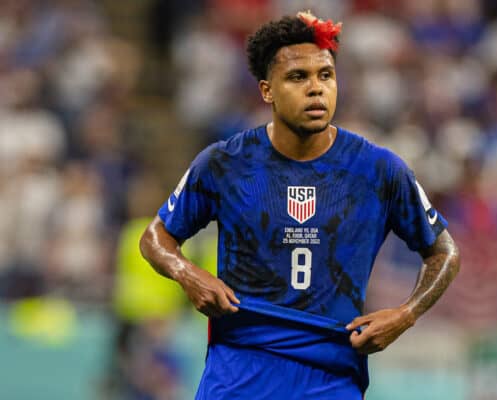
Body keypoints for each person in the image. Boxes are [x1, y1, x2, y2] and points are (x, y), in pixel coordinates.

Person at [140, 10, 460, 400]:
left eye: (325, 75)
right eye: (298, 77)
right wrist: (187, 273)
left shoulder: (378, 170)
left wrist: (406, 314)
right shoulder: (224, 163)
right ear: (266, 90)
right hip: (241, 366)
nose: (316, 88)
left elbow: (444, 251)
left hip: (331, 374)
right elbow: (155, 236)